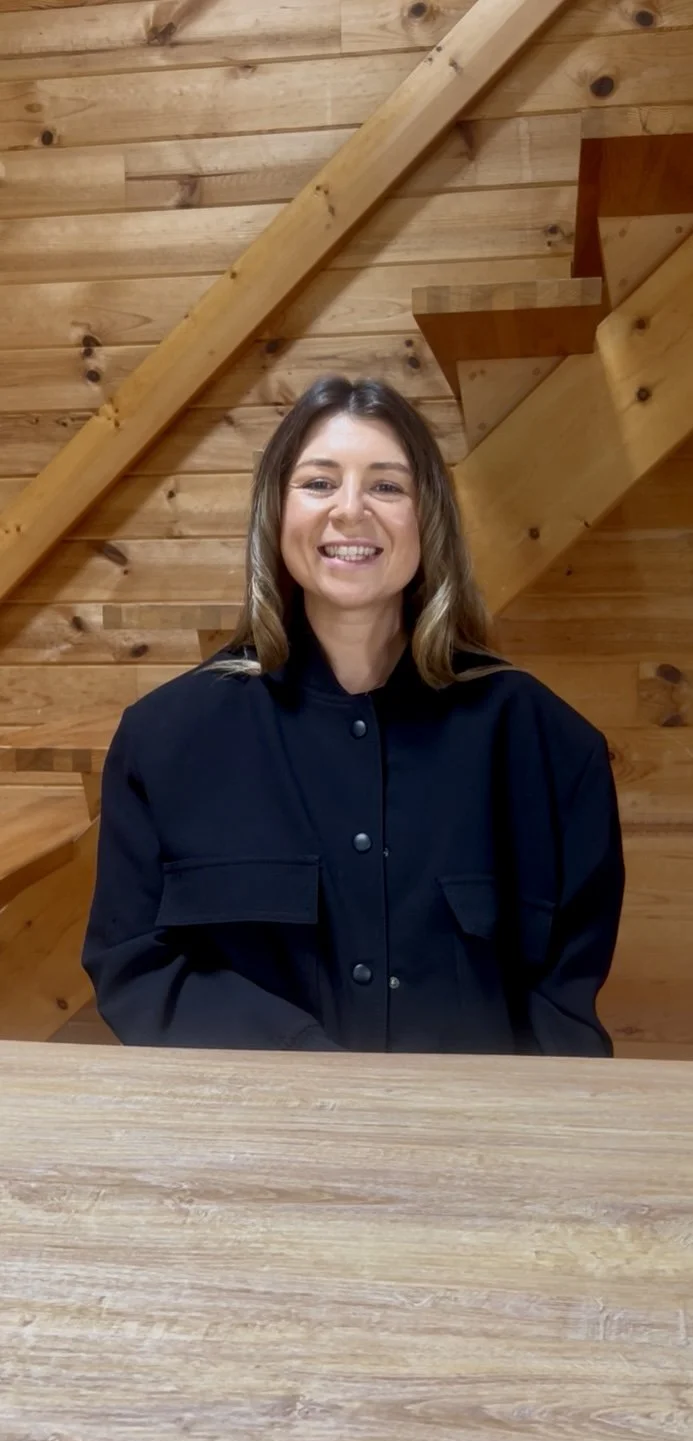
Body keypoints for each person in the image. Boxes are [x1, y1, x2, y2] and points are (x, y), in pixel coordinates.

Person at [81, 376, 625, 1055]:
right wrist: (309, 1069)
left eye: (386, 486)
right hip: (254, 1118)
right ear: (276, 513)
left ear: (428, 518)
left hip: (476, 1122)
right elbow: (135, 967)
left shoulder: (548, 745)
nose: (350, 510)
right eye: (319, 483)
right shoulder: (164, 741)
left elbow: (563, 1007)